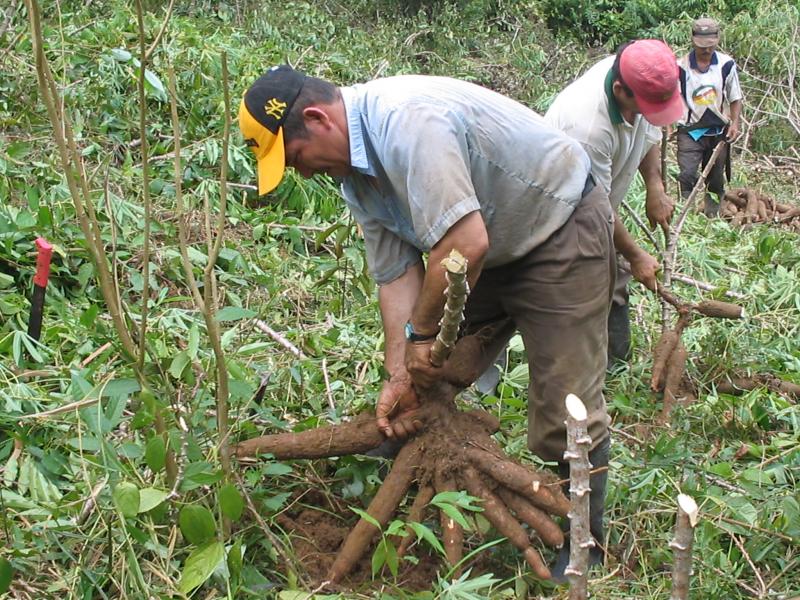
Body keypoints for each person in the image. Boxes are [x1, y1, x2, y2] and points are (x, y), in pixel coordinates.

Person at [238, 65, 614, 579]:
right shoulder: (355, 177)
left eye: (295, 157)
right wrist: (401, 372)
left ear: (318, 119)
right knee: (434, 374)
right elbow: (396, 276)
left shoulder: (408, 123)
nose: (301, 174)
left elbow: (464, 243)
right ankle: (414, 461)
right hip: (485, 249)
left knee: (564, 407)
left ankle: (583, 537)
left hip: (559, 231)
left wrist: (422, 333)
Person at [545, 39, 683, 364]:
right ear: (620, 91)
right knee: (574, 288)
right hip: (559, 212)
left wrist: (655, 186)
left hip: (597, 207)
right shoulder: (586, 127)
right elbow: (597, 204)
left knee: (613, 276)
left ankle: (617, 366)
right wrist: (635, 255)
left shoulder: (641, 78)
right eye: (645, 108)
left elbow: (650, 128)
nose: (649, 114)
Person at [677, 17, 743, 217]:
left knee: (715, 179)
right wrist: (669, 125)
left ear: (717, 40)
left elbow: (735, 96)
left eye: (710, 46)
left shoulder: (726, 64)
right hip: (690, 130)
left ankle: (712, 217)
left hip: (717, 129)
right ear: (692, 40)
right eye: (701, 46)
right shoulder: (680, 66)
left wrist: (735, 123)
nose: (706, 50)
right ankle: (685, 217)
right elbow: (672, 96)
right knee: (687, 175)